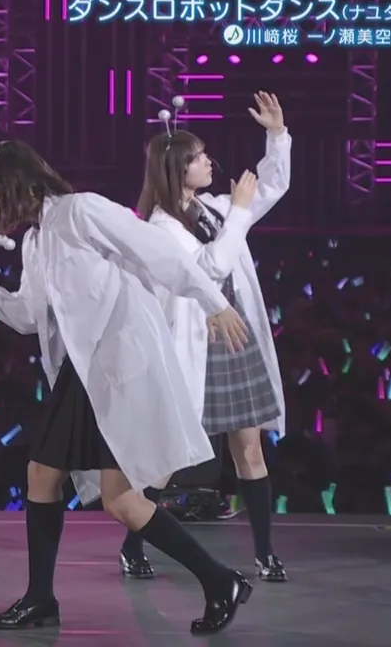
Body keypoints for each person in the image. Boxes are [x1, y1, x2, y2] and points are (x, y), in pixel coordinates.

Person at [0, 142, 252, 635]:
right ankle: (42, 598)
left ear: (13, 184)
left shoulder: (81, 211)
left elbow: (159, 252)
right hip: (85, 370)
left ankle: (218, 579)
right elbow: (28, 316)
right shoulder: (37, 241)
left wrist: (213, 302)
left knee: (114, 498)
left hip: (116, 363)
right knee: (47, 477)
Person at [119, 92, 292, 584]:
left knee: (250, 450)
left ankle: (265, 554)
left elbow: (270, 186)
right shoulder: (160, 228)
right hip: (194, 347)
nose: (209, 162)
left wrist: (277, 135)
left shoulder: (211, 207)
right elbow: (210, 269)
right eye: (198, 157)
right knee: (168, 459)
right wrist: (238, 213)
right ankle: (132, 545)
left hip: (234, 340)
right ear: (177, 169)